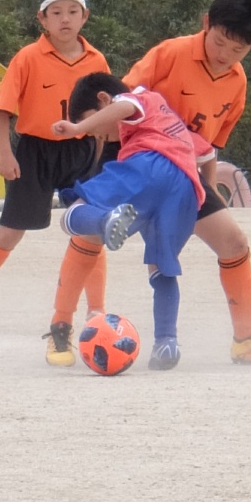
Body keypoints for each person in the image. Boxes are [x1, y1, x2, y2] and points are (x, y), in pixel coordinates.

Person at [0, 0, 111, 368]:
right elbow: (2, 109)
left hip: (82, 150)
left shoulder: (96, 61)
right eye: (56, 12)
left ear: (84, 16)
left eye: (72, 11)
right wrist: (5, 155)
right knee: (10, 231)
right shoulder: (28, 58)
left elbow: (106, 113)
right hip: (35, 151)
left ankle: (96, 310)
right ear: (42, 19)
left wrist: (101, 159)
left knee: (92, 228)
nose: (65, 19)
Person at [122, 0, 251, 364]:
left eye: (238, 50)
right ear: (206, 23)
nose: (225, 55)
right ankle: (64, 326)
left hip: (188, 174)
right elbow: (123, 101)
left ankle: (244, 341)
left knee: (234, 242)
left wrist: (209, 187)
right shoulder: (170, 54)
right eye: (219, 42)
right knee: (93, 235)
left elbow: (210, 145)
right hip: (144, 165)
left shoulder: (237, 83)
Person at [51, 73, 205, 370]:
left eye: (94, 125)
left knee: (71, 214)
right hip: (186, 189)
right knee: (162, 269)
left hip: (150, 166)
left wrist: (77, 128)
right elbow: (206, 152)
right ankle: (166, 341)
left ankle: (105, 220)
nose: (96, 134)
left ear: (103, 100)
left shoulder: (140, 98)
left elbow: (123, 106)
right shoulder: (167, 116)